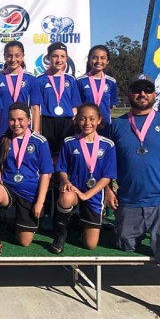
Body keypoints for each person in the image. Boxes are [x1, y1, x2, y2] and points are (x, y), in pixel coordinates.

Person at [106, 73, 160, 319]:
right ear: (128, 95)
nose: (142, 94)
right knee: (124, 245)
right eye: (136, 90)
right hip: (128, 201)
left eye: (147, 90)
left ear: (154, 95)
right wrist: (109, 189)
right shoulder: (117, 125)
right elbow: (105, 162)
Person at [0, 103, 53, 256]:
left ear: (29, 120)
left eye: (20, 119)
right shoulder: (4, 139)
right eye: (12, 120)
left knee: (24, 242)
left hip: (29, 192)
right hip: (8, 187)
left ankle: (14, 224)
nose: (16, 124)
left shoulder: (39, 141)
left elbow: (46, 174)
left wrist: (40, 203)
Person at [49, 103, 117, 254]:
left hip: (93, 194)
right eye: (83, 119)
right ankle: (60, 234)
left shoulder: (108, 145)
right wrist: (66, 181)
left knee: (90, 245)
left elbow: (107, 176)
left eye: (92, 119)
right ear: (77, 120)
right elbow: (61, 168)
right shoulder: (69, 142)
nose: (87, 123)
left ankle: (78, 225)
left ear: (99, 120)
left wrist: (87, 195)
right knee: (66, 198)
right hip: (73, 189)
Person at [36, 42, 81, 158]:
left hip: (66, 121)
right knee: (47, 154)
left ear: (66, 58)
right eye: (55, 56)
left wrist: (74, 123)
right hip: (47, 121)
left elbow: (75, 105)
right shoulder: (40, 79)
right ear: (48, 58)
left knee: (65, 154)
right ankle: (49, 176)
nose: (59, 60)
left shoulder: (71, 80)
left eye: (62, 56)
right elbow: (36, 106)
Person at [0, 41, 42, 136]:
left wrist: (36, 131)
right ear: (4, 56)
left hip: (23, 128)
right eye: (9, 56)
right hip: (3, 127)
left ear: (22, 56)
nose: (13, 59)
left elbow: (35, 108)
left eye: (17, 55)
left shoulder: (31, 79)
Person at [77, 45, 118, 132]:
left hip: (105, 125)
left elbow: (111, 106)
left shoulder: (111, 82)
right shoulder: (80, 81)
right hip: (86, 125)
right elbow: (77, 105)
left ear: (107, 61)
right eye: (94, 58)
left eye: (103, 58)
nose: (99, 61)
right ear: (89, 60)